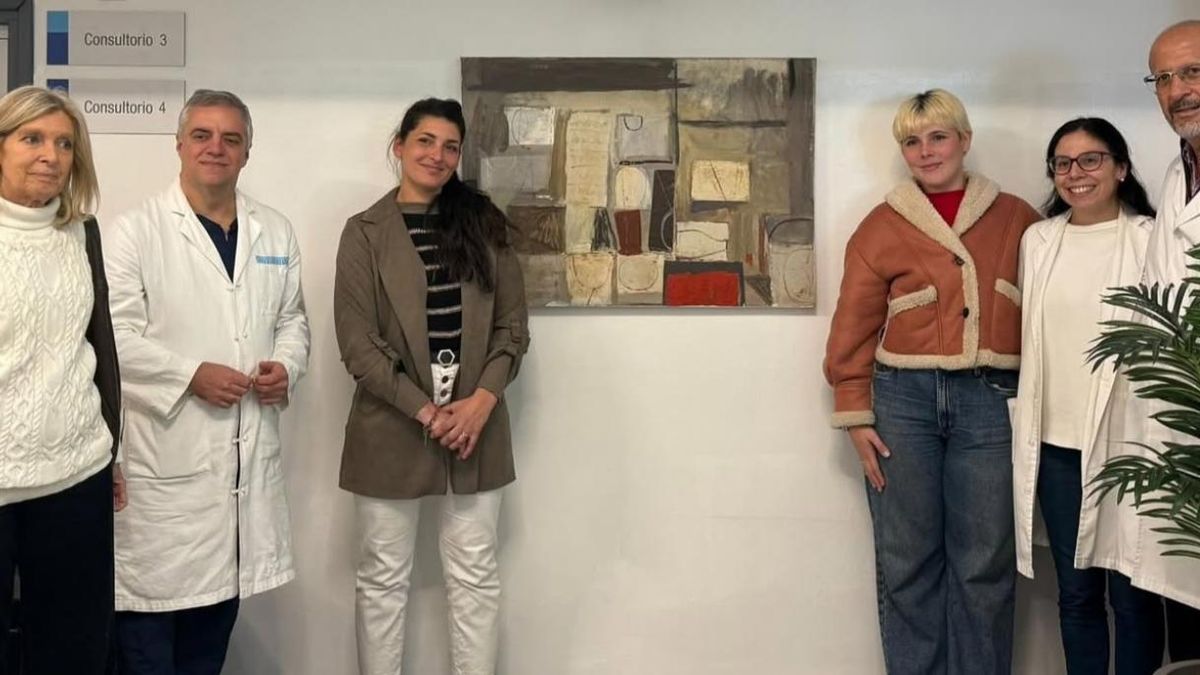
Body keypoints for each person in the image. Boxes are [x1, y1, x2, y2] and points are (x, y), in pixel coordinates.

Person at [824, 89, 1039, 675]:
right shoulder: (881, 225)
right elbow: (853, 325)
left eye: (938, 137)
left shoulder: (1017, 217)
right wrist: (855, 413)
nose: (926, 151)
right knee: (907, 561)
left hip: (991, 401)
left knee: (984, 563)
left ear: (964, 140)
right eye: (912, 141)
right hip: (902, 402)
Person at [103, 89, 310, 674]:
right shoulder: (135, 231)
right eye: (202, 135)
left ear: (247, 152)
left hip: (238, 485)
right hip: (163, 474)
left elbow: (292, 319)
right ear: (179, 145)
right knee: (147, 647)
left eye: (230, 138)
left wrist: (285, 367)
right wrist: (190, 375)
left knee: (208, 646)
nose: (215, 148)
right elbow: (113, 336)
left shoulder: (274, 231)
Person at [334, 97, 529, 675]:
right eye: (425, 141)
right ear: (399, 145)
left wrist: (481, 403)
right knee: (382, 579)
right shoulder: (363, 233)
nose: (436, 155)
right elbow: (358, 345)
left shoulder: (484, 225)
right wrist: (427, 411)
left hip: (476, 428)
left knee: (475, 576)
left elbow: (512, 329)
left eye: (450, 146)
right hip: (390, 423)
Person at [1012, 117, 1163, 675]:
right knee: (1076, 596)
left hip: (1129, 447)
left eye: (1091, 159)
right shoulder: (1039, 240)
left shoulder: (1152, 238)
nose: (1076, 173)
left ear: (1121, 168)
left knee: (1134, 595)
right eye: (1063, 163)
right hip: (1056, 448)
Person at [0, 84, 122, 674]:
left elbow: (98, 347)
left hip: (77, 474)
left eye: (65, 143)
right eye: (32, 139)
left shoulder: (82, 232)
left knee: (74, 652)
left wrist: (113, 450)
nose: (51, 155)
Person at [1140, 19, 1200, 663]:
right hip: (1182, 421)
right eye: (1163, 78)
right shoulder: (1174, 173)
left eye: (1193, 71)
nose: (1178, 90)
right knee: (1184, 605)